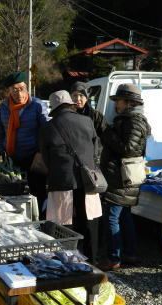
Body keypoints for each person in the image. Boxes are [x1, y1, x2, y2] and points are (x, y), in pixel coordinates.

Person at [39, 90, 102, 264]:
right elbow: (96, 147)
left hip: (61, 180)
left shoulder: (47, 128)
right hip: (87, 179)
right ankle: (93, 261)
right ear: (70, 104)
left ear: (55, 108)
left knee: (64, 223)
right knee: (89, 220)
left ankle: (70, 262)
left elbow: (45, 158)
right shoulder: (87, 121)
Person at [98, 84, 151, 271]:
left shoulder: (134, 120)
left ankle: (114, 258)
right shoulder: (128, 119)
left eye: (118, 101)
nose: (116, 105)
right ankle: (130, 253)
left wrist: (107, 133)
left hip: (121, 179)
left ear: (129, 102)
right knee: (124, 216)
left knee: (112, 217)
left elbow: (127, 149)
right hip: (122, 177)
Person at [0, 72, 49, 215]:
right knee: (14, 193)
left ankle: (41, 222)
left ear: (27, 89)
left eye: (21, 88)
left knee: (38, 192)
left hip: (33, 157)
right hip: (12, 158)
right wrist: (1, 150)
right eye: (14, 89)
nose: (19, 93)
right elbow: (0, 131)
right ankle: (18, 220)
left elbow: (46, 130)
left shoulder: (37, 105)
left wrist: (41, 151)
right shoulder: (3, 108)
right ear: (9, 92)